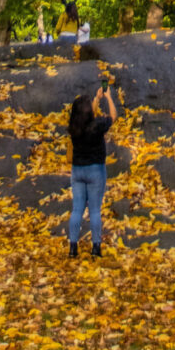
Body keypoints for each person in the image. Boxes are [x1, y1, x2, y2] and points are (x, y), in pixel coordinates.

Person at [66, 85, 118, 257]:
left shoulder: (74, 126)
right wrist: (108, 97)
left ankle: (73, 246)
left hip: (78, 170)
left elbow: (86, 116)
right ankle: (96, 246)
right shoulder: (97, 126)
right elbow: (113, 116)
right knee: (95, 210)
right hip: (95, 169)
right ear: (90, 113)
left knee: (77, 209)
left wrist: (96, 99)